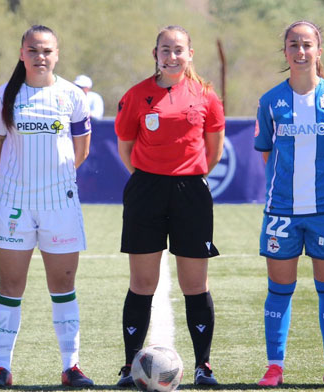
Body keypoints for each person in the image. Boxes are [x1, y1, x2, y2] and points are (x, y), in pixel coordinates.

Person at [0, 25, 94, 388]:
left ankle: (71, 366)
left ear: (56, 55)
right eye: (33, 50)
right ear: (21, 53)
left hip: (59, 204)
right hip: (15, 204)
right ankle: (2, 368)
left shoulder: (73, 96)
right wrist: (23, 182)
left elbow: (82, 149)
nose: (40, 56)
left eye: (46, 51)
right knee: (10, 285)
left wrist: (53, 183)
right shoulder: (3, 97)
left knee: (63, 285)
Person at [114, 25, 225, 387]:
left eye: (179, 49)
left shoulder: (206, 96)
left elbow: (214, 150)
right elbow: (126, 149)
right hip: (146, 189)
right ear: (155, 54)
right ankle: (131, 367)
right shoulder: (136, 96)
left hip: (191, 191)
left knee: (195, 283)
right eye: (165, 49)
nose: (172, 56)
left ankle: (202, 366)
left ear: (190, 54)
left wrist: (185, 178)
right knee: (142, 281)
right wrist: (153, 178)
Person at [253, 20, 324, 389]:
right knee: (279, 291)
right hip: (281, 212)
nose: (301, 51)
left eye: (307, 45)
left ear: (319, 51)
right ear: (285, 52)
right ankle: (274, 367)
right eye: (294, 45)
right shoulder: (269, 102)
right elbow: (266, 153)